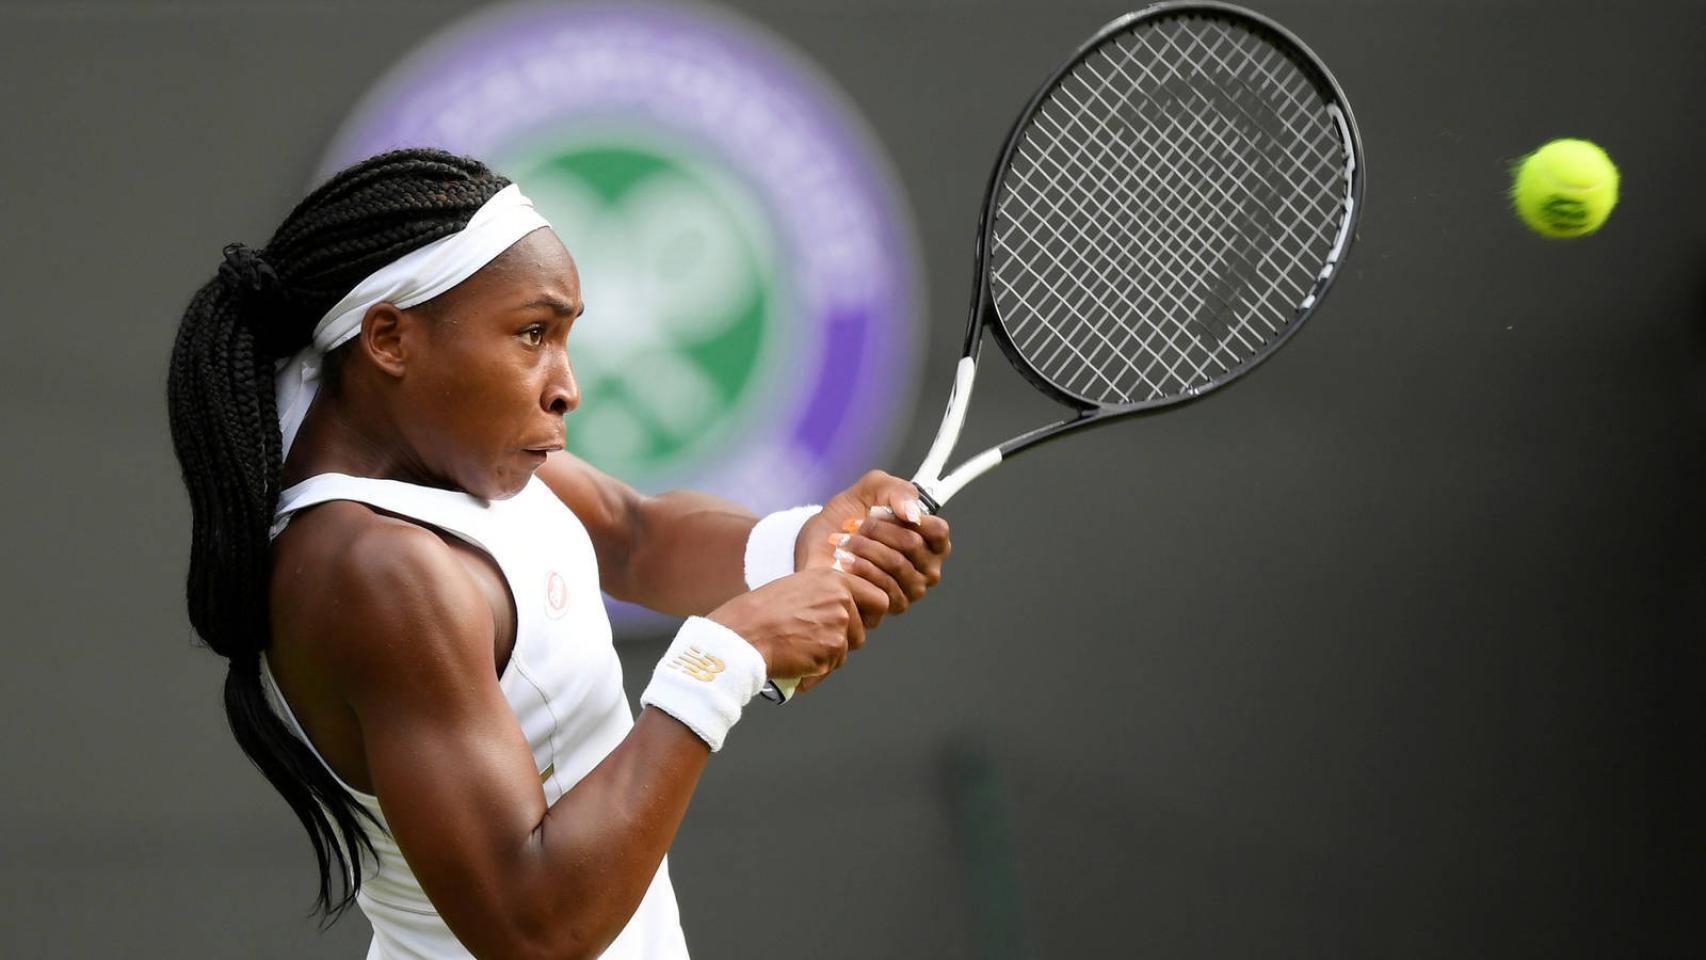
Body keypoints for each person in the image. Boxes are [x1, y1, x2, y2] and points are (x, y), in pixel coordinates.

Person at [166, 148, 951, 959]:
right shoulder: (377, 572)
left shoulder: (448, 455)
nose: (566, 385)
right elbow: (533, 927)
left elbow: (633, 532)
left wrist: (799, 542)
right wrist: (732, 651)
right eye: (532, 334)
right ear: (390, 338)